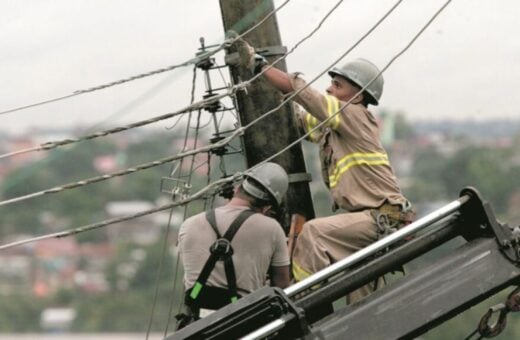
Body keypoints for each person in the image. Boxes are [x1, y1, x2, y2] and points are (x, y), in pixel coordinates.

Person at [232, 37, 415, 304]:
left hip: (379, 218)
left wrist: (259, 65)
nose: (329, 89)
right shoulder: (336, 127)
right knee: (360, 290)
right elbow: (301, 118)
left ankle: (302, 299)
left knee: (314, 234)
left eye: (337, 86)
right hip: (368, 221)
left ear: (358, 95)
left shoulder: (354, 115)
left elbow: (302, 92)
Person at [176, 162, 291, 328]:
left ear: (237, 189)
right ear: (267, 207)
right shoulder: (272, 229)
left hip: (197, 325)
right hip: (242, 322)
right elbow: (282, 287)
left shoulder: (189, 224)